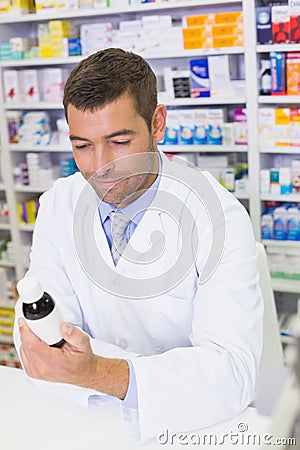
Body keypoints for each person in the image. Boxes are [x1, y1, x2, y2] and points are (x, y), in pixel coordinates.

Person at [14, 48, 263, 443]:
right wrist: (87, 370)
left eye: (118, 141)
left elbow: (231, 374)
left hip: (197, 430)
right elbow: (42, 330)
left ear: (157, 123)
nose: (100, 166)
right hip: (90, 422)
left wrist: (97, 371)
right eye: (82, 145)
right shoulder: (60, 203)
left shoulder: (218, 216)